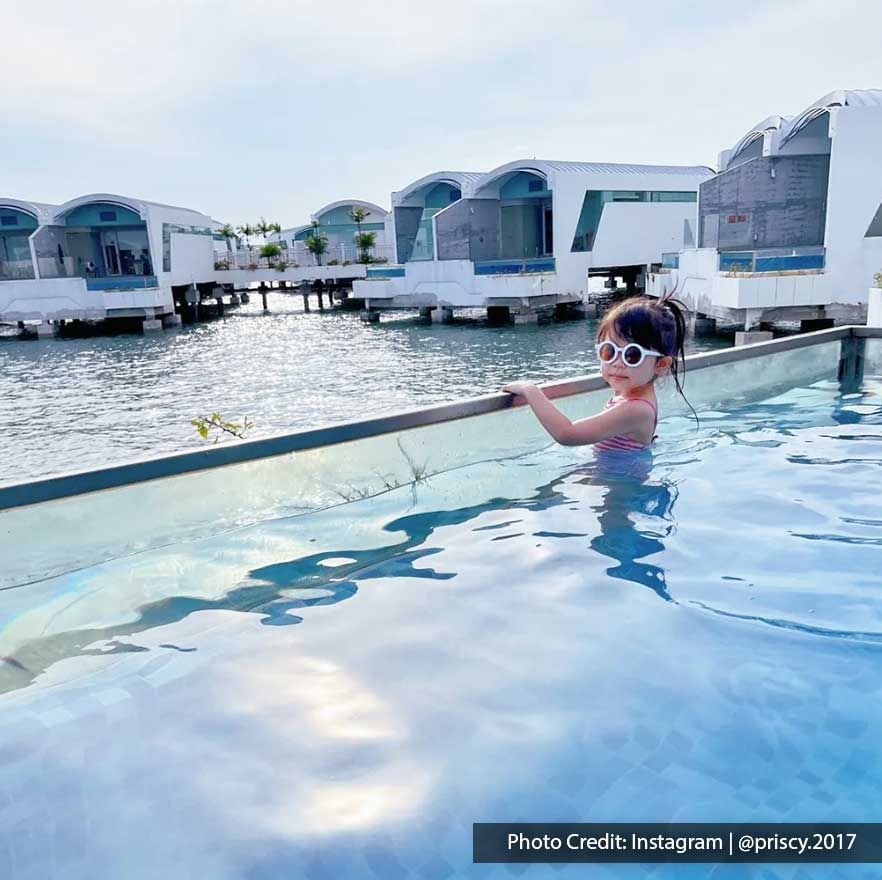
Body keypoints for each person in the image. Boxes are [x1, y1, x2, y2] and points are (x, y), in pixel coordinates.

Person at [501, 294, 693, 450]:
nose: (617, 363)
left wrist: (531, 390)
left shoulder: (636, 410)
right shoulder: (628, 392)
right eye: (609, 351)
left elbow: (567, 434)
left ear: (661, 364)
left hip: (622, 491)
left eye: (632, 355)